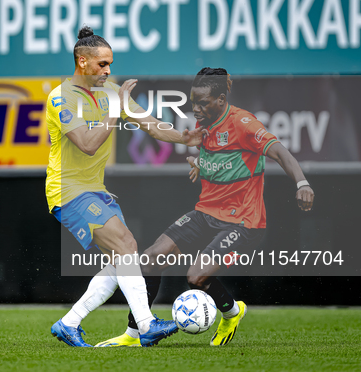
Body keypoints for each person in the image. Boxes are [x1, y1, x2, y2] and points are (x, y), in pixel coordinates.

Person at [95, 67, 315, 348]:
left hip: (243, 222)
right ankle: (135, 334)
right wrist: (202, 165)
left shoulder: (244, 123)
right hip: (205, 213)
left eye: (202, 102)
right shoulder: (206, 125)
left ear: (221, 99)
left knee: (196, 277)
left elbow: (280, 152)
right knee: (150, 259)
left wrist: (302, 184)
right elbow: (224, 158)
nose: (195, 108)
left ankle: (232, 313)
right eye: (192, 101)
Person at [45, 26, 206, 347]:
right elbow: (88, 144)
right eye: (102, 64)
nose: (108, 70)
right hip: (67, 190)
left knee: (122, 258)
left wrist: (186, 138)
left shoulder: (111, 92)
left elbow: (153, 127)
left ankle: (69, 322)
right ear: (82, 61)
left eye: (110, 64)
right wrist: (117, 107)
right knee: (127, 245)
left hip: (94, 190)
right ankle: (146, 325)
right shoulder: (61, 98)